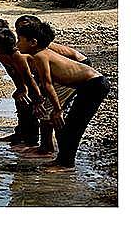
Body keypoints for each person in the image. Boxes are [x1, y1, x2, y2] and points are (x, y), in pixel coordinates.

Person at [16, 21, 109, 171]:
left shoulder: (40, 56)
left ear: (33, 42)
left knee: (73, 126)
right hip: (87, 85)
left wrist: (58, 110)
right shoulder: (41, 53)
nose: (17, 43)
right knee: (66, 125)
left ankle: (67, 164)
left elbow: (48, 84)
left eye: (20, 39)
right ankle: (62, 160)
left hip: (94, 85)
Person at [15, 15, 91, 157]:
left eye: (23, 29)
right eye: (18, 29)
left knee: (49, 109)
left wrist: (44, 100)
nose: (18, 38)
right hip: (70, 72)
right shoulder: (33, 48)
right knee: (47, 107)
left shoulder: (41, 50)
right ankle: (47, 146)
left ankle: (48, 148)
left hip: (79, 68)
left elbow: (47, 80)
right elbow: (40, 77)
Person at [0, 18, 44, 146]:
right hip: (31, 77)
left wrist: (35, 97)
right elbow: (11, 70)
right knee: (20, 98)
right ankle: (21, 133)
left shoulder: (16, 52)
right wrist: (20, 89)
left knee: (31, 103)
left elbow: (29, 78)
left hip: (43, 76)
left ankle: (32, 139)